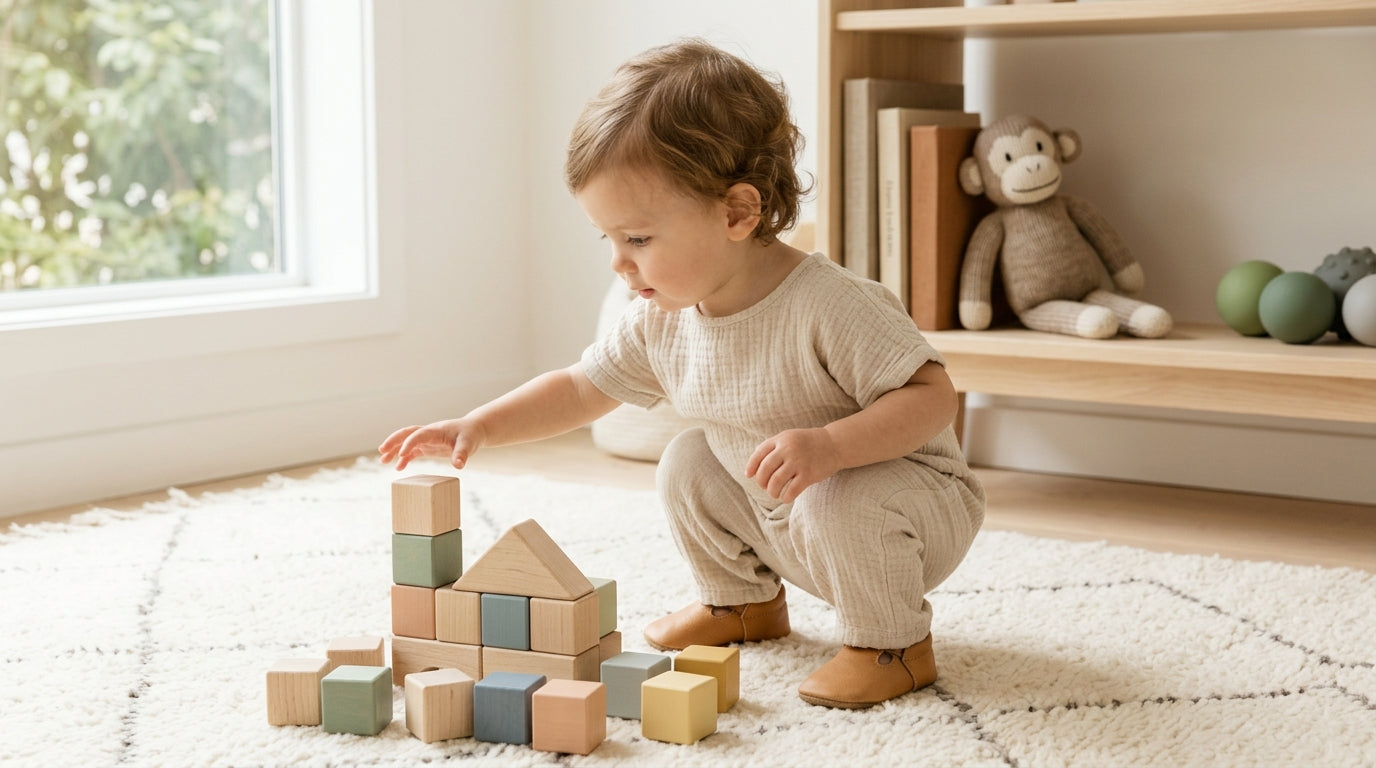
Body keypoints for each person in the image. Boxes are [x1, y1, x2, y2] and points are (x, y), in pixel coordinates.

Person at [378, 38, 984, 709]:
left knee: (838, 495)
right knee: (688, 457)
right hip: (784, 512)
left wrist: (833, 446)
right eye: (607, 239)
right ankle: (742, 603)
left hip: (906, 510)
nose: (618, 262)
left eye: (637, 239)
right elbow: (582, 387)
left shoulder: (831, 305)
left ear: (737, 212)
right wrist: (480, 426)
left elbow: (933, 398)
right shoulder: (664, 320)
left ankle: (892, 645)